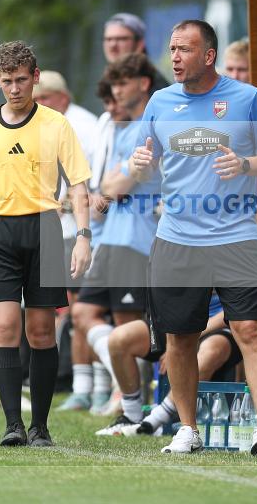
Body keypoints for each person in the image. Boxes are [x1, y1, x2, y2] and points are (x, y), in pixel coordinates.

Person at [130, 19, 257, 454]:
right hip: (176, 239)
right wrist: (140, 165)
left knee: (250, 328)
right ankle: (188, 429)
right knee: (180, 337)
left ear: (209, 55)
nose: (175, 58)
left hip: (237, 235)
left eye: (184, 49)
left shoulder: (247, 98)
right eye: (172, 49)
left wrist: (246, 165)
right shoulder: (160, 101)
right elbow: (144, 164)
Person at [0, 41, 92, 447]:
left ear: (35, 78)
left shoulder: (56, 124)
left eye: (21, 80)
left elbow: (78, 185)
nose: (14, 89)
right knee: (4, 327)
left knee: (42, 331)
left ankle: (40, 427)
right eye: (6, 81)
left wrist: (83, 236)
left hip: (45, 229)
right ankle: (13, 425)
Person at [74, 53, 162, 415]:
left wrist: (117, 183)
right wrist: (117, 183)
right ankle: (121, 383)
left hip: (137, 237)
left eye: (123, 83)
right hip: (112, 236)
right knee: (83, 313)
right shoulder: (126, 128)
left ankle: (130, 403)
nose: (117, 91)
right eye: (114, 84)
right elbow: (108, 187)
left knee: (128, 324)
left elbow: (117, 186)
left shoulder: (154, 125)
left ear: (143, 84)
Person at [59, 76, 129, 412]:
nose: (111, 108)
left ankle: (122, 391)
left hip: (128, 239)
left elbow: (116, 185)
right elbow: (98, 183)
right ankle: (94, 387)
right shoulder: (104, 123)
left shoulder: (131, 127)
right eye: (107, 102)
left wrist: (99, 195)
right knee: (82, 312)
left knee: (121, 318)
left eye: (116, 101)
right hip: (97, 235)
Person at [95, 293, 242, 437]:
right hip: (178, 322)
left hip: (218, 326)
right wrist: (173, 342)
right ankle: (131, 416)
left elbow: (239, 305)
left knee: (211, 350)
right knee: (119, 338)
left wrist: (182, 343)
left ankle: (154, 420)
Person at [33, 71, 98, 304]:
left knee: (73, 302)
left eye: (45, 97)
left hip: (75, 227)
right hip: (53, 226)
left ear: (63, 97)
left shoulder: (82, 125)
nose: (40, 104)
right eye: (36, 99)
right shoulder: (42, 123)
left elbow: (88, 180)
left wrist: (60, 206)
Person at [103, 12, 169, 90]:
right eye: (108, 39)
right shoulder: (107, 81)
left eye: (121, 39)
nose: (112, 45)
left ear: (139, 44)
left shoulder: (156, 85)